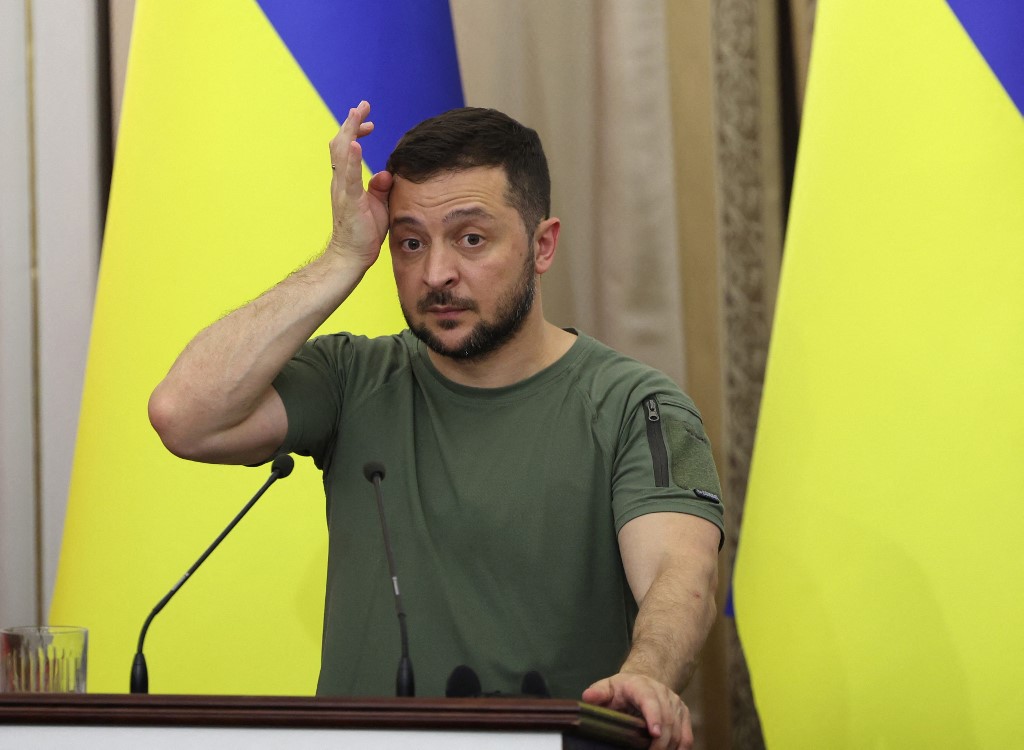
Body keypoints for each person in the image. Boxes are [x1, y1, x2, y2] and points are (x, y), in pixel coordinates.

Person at [149, 101, 723, 750]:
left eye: (470, 239)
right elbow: (184, 416)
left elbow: (679, 577)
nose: (436, 274)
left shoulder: (637, 406)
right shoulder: (352, 379)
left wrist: (647, 676)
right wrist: (342, 257)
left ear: (542, 246)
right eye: (411, 243)